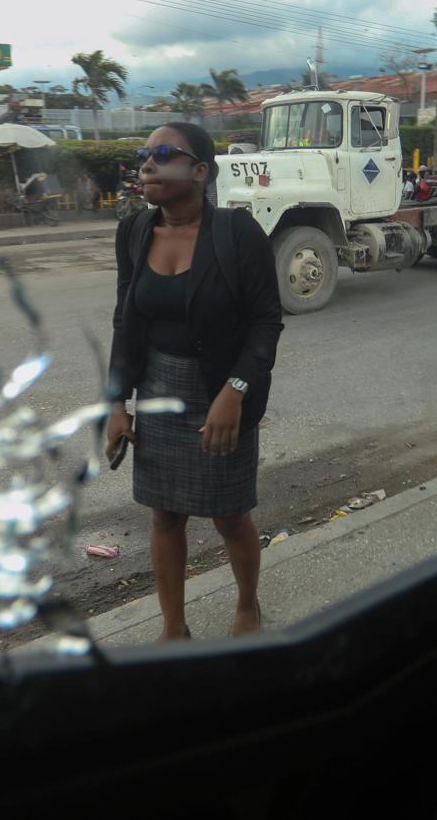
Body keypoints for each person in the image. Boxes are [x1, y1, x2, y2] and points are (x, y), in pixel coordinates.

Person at [104, 122, 283, 640]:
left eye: (164, 154)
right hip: (158, 392)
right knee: (164, 517)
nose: (148, 165)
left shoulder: (236, 233)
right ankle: (173, 627)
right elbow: (125, 320)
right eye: (145, 155)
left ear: (200, 172)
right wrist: (117, 402)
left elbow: (266, 322)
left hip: (222, 392)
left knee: (230, 515)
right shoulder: (134, 231)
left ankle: (247, 608)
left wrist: (236, 390)